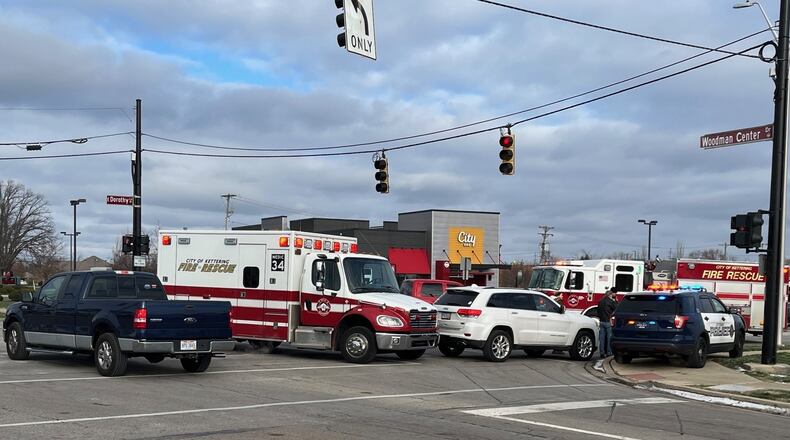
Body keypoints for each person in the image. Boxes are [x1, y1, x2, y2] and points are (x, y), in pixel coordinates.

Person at [597, 287, 618, 358]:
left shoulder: (600, 301)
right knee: (609, 338)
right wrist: (615, 301)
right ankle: (609, 352)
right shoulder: (610, 301)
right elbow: (616, 308)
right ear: (610, 295)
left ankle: (602, 353)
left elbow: (598, 311)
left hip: (601, 321)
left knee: (602, 338)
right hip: (608, 321)